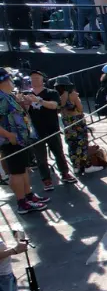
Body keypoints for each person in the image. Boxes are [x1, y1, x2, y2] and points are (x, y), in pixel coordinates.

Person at [0, 70, 48, 213]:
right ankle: (22, 202)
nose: (12, 82)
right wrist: (9, 135)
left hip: (21, 140)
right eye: (10, 79)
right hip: (11, 142)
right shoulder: (1, 98)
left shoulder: (8, 96)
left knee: (24, 169)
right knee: (16, 173)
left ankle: (29, 196)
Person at [25, 70, 75, 191]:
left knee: (58, 152)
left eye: (37, 78)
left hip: (52, 128)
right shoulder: (26, 94)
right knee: (40, 157)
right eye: (32, 78)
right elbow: (24, 112)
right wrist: (25, 103)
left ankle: (65, 173)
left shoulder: (51, 92)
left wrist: (38, 100)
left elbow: (54, 105)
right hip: (36, 131)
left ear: (43, 79)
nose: (34, 80)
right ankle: (46, 180)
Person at [54, 76, 90, 176]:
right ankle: (85, 165)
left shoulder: (57, 96)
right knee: (82, 143)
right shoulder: (73, 94)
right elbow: (80, 108)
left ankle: (76, 166)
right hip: (77, 120)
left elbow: (58, 108)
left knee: (72, 144)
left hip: (66, 122)